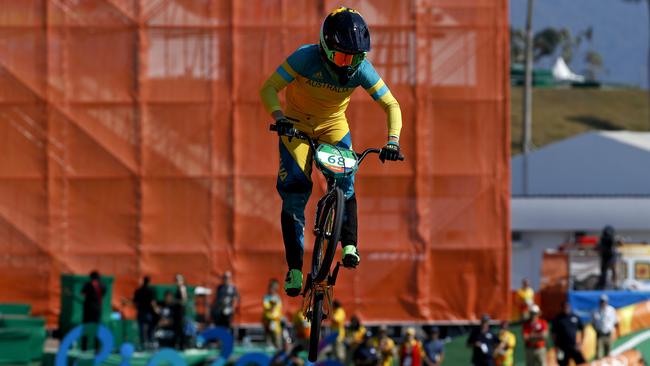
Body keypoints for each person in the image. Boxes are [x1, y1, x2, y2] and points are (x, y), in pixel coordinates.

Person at [259, 6, 403, 297]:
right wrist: (279, 118)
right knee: (296, 189)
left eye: (356, 58)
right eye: (341, 57)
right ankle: (295, 269)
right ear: (325, 47)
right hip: (296, 125)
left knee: (346, 182)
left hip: (333, 127)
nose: (348, 65)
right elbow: (269, 88)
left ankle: (349, 245)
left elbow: (392, 105)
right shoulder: (304, 56)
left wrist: (393, 141)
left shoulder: (360, 69)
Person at [551, 301, 585, 366]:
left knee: (582, 363)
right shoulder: (557, 319)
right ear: (561, 308)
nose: (566, 308)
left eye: (567, 307)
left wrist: (580, 343)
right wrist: (556, 346)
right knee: (562, 363)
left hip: (574, 346)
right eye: (564, 307)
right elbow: (554, 334)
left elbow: (582, 329)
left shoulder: (575, 317)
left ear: (569, 307)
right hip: (562, 348)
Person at [80, 270, 106, 351]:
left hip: (88, 309)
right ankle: (97, 348)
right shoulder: (102, 285)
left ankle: (84, 347)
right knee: (96, 328)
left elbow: (82, 293)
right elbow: (104, 293)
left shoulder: (88, 285)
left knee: (86, 327)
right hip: (97, 309)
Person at [133, 275, 157, 350]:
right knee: (150, 328)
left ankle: (143, 344)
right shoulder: (151, 290)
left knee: (142, 329)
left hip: (141, 312)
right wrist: (156, 311)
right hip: (149, 312)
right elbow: (153, 302)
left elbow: (135, 303)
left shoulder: (138, 290)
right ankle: (150, 342)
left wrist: (138, 308)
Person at [591, 294, 619, 359]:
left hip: (608, 334)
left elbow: (616, 322)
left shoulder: (611, 310)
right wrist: (597, 330)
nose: (603, 303)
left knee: (608, 353)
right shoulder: (595, 311)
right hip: (600, 334)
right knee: (598, 354)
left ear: (607, 302)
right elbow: (593, 323)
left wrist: (613, 331)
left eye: (604, 301)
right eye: (602, 301)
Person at [263, 279, 284, 349]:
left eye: (273, 288)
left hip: (276, 321)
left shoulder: (277, 298)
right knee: (268, 336)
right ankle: (269, 346)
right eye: (270, 288)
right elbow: (266, 306)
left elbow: (279, 308)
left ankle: (278, 348)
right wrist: (271, 307)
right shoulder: (266, 297)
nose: (271, 290)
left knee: (277, 336)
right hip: (268, 320)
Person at [173, 273, 188, 350]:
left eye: (178, 280)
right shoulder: (178, 288)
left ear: (182, 281)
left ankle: (183, 345)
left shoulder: (182, 288)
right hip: (177, 313)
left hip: (180, 313)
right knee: (177, 329)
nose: (176, 281)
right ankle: (179, 345)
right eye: (175, 280)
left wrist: (175, 301)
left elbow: (184, 300)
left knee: (181, 329)